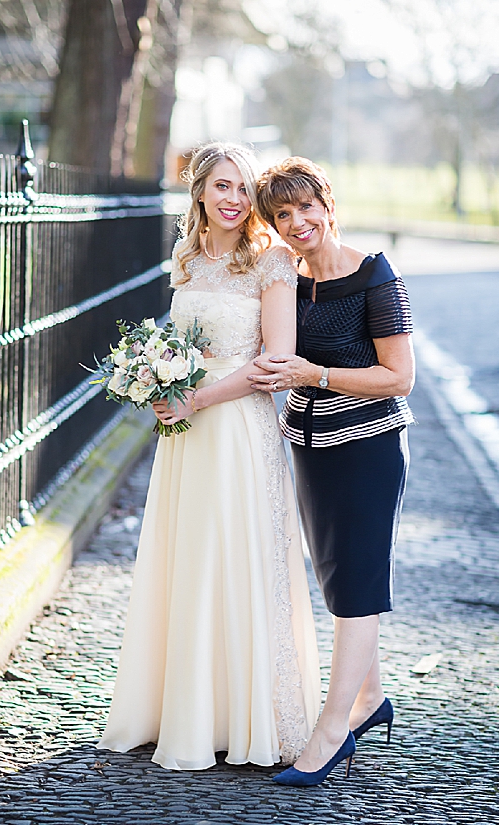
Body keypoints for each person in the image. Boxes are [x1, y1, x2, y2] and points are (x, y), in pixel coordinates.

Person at [97, 143, 320, 771]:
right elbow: (177, 342)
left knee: (236, 556)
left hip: (238, 430)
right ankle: (185, 711)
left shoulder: (272, 263)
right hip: (187, 436)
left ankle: (245, 717)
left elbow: (275, 362)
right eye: (222, 186)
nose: (233, 199)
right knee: (188, 560)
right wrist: (156, 380)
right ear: (199, 192)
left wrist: (197, 397)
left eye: (243, 188)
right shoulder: (187, 259)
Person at [252, 157, 415, 787]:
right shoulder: (286, 281)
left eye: (305, 208)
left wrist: (315, 376)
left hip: (369, 448)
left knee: (357, 589)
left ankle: (332, 732)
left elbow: (398, 377)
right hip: (308, 447)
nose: (297, 223)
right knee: (336, 582)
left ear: (327, 204)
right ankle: (371, 700)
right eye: (282, 215)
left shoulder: (374, 275)